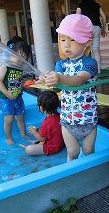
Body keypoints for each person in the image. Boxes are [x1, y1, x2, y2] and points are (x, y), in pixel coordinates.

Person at [41, 14, 98, 161]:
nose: (66, 44)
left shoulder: (90, 63)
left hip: (88, 119)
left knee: (88, 151)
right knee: (72, 152)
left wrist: (59, 78)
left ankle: (91, 176)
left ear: (86, 42)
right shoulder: (61, 64)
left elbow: (78, 80)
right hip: (67, 120)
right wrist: (48, 79)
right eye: (63, 39)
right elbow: (57, 83)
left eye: (72, 39)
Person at [0, 40, 31, 145]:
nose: (21, 58)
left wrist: (25, 83)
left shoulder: (20, 68)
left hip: (18, 97)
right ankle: (8, 138)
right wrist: (6, 93)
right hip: (6, 98)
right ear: (12, 53)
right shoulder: (5, 66)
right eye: (19, 55)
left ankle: (23, 134)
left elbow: (17, 80)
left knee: (20, 117)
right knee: (9, 119)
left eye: (24, 56)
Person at [19, 91, 64, 156]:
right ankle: (36, 143)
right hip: (60, 143)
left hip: (53, 147)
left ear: (42, 107)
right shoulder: (60, 116)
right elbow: (51, 132)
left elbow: (42, 138)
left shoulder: (47, 121)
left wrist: (33, 131)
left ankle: (30, 146)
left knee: (29, 149)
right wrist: (39, 130)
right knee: (37, 141)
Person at [76, 0, 107, 73]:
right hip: (96, 27)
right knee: (95, 50)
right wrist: (103, 29)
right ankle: (98, 70)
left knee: (84, 49)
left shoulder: (81, 5)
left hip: (86, 28)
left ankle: (84, 70)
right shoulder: (96, 5)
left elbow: (77, 17)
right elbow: (104, 16)